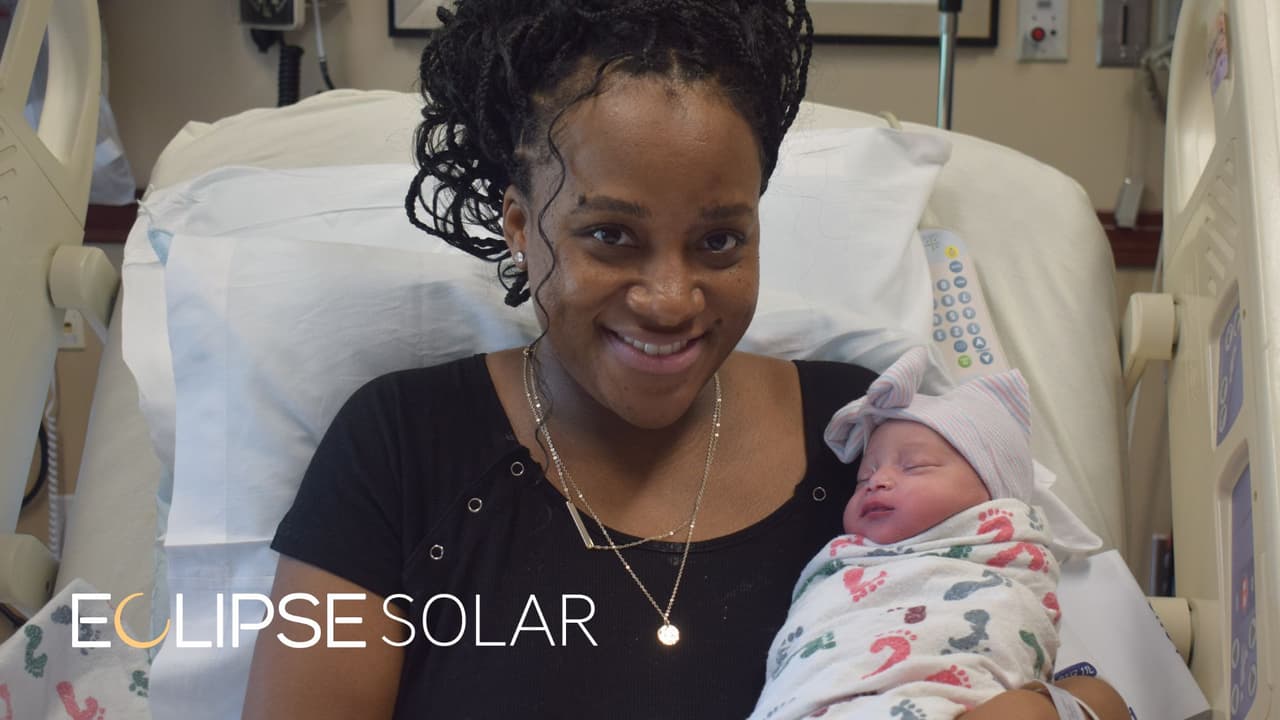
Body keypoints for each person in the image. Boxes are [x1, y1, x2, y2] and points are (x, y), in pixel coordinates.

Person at [242, 1, 1128, 717]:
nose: (670, 299)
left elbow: (1061, 649)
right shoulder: (402, 448)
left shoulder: (868, 442)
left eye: (717, 240)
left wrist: (1047, 712)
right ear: (519, 224)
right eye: (610, 236)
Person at [750, 347, 1103, 719]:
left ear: (991, 496)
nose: (877, 482)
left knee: (1069, 702)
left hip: (948, 704)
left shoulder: (1003, 560)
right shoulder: (844, 565)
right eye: (863, 477)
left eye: (915, 466)